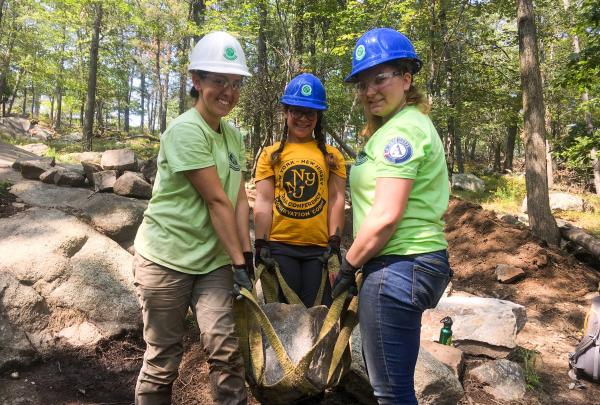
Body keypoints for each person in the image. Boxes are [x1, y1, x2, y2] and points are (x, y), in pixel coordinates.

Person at [332, 28, 453, 404]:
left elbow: (385, 216)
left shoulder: (402, 132)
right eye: (363, 82)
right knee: (394, 384)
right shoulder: (401, 126)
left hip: (398, 267)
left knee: (390, 391)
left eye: (380, 77)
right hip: (410, 264)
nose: (370, 90)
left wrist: (349, 266)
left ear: (406, 78)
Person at [132, 31, 254, 405]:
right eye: (219, 81)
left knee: (227, 354)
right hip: (166, 259)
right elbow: (216, 200)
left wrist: (246, 256)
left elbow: (237, 199)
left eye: (235, 84)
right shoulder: (186, 130)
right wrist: (238, 263)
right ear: (196, 81)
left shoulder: (233, 135)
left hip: (213, 261)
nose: (228, 92)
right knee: (163, 360)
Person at [253, 73, 347, 308]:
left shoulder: (332, 156)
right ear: (286, 112)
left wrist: (334, 244)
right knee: (286, 317)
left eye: (310, 113)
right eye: (297, 111)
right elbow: (264, 201)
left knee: (319, 314)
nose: (303, 118)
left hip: (319, 251)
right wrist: (261, 244)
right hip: (280, 247)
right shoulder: (271, 154)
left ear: (318, 116)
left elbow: (336, 200)